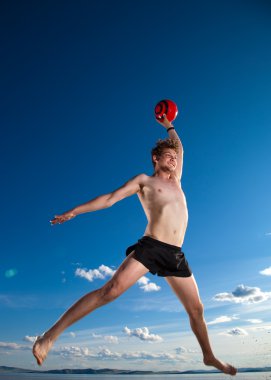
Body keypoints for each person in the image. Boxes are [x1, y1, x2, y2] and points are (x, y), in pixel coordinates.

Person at [33, 114, 237, 376]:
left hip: (175, 255)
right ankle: (49, 337)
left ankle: (209, 357)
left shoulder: (177, 180)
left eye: (175, 158)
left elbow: (181, 147)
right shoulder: (145, 181)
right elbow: (109, 198)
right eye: (168, 156)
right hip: (151, 247)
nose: (174, 159)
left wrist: (169, 126)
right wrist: (75, 211)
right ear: (156, 158)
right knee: (111, 290)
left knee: (197, 309)